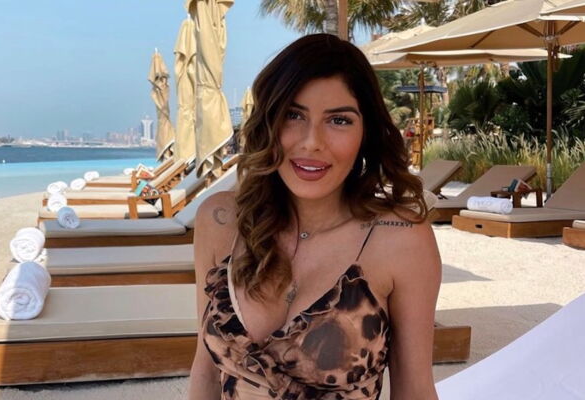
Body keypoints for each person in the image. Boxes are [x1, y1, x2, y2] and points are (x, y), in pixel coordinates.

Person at [189, 34, 441, 399]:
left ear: (366, 132)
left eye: (338, 120)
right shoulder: (221, 221)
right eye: (294, 115)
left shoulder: (398, 239)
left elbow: (415, 390)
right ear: (269, 122)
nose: (311, 142)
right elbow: (205, 372)